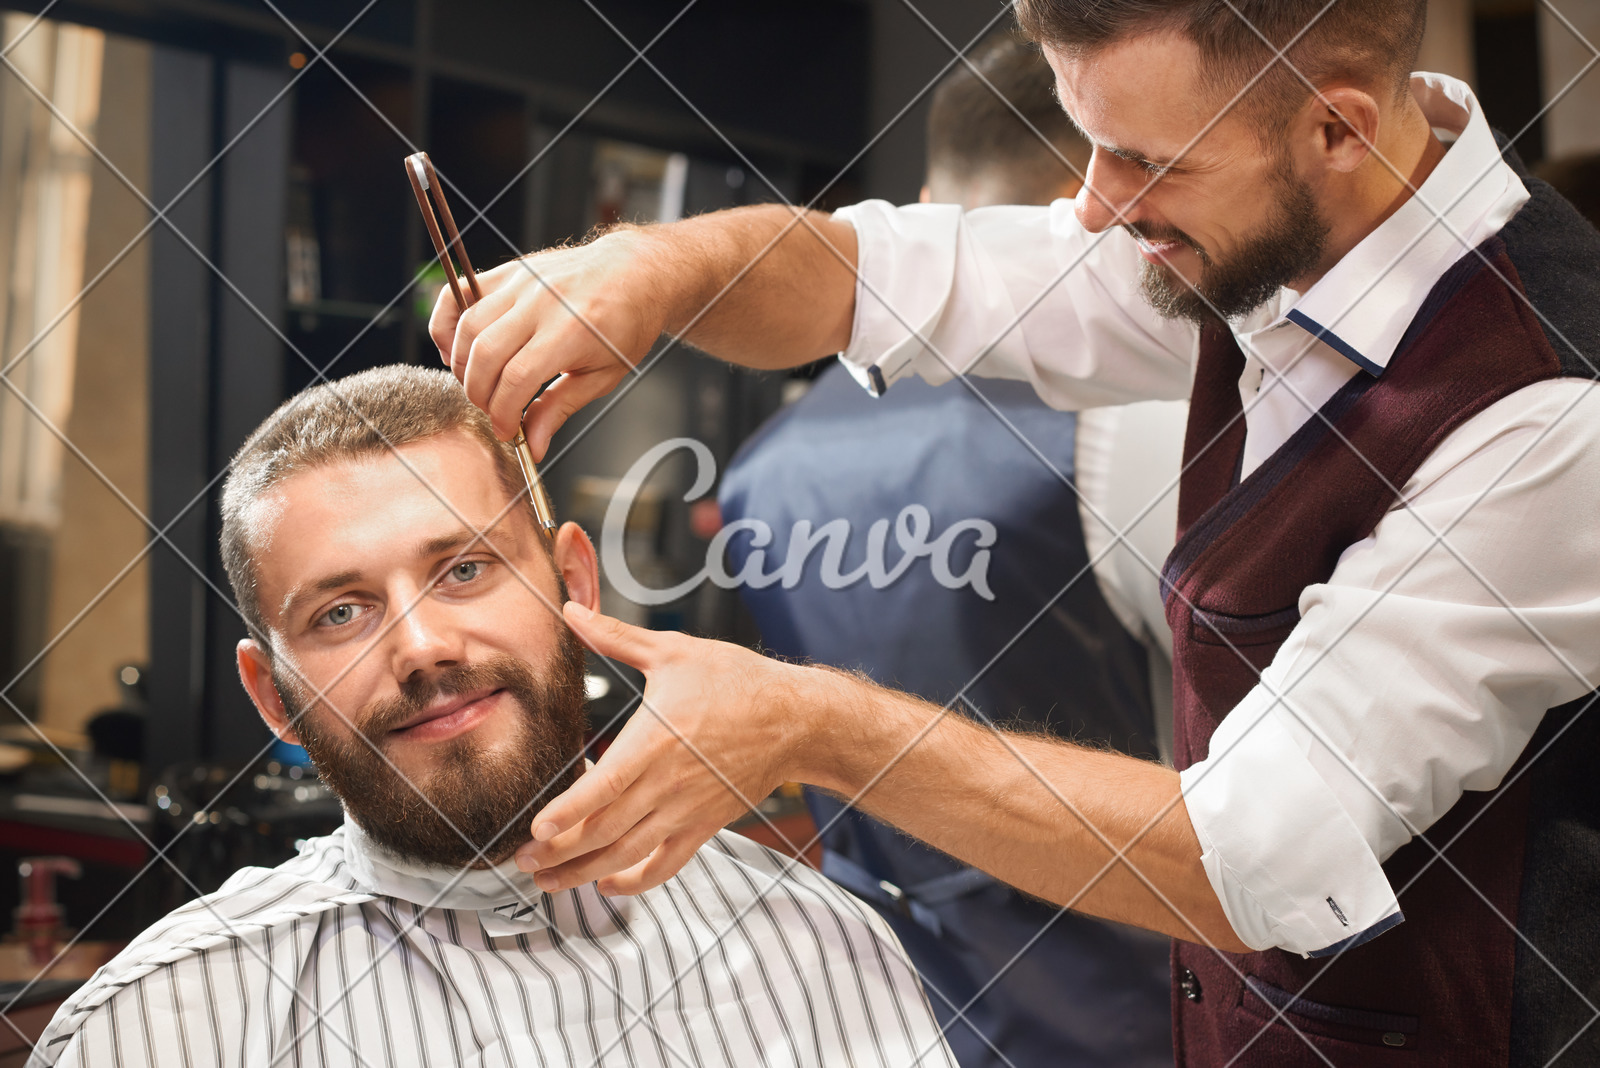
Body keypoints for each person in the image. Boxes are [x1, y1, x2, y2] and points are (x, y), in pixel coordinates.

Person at [431, 2, 1600, 1064]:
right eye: (1088, 140)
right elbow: (878, 275)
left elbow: (1259, 854)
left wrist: (812, 722)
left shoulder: (1547, 410)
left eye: (1144, 159)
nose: (1090, 204)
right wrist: (654, 267)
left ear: (1335, 131)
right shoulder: (1273, 228)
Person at [31, 366, 958, 1068]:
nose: (425, 646)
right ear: (274, 697)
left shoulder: (816, 944)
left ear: (577, 585)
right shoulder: (158, 1029)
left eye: (464, 570)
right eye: (341, 612)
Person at [717, 32, 1177, 1067]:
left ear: (925, 198)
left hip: (871, 1014)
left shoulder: (761, 463)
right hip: (1131, 1014)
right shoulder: (1139, 421)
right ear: (1083, 204)